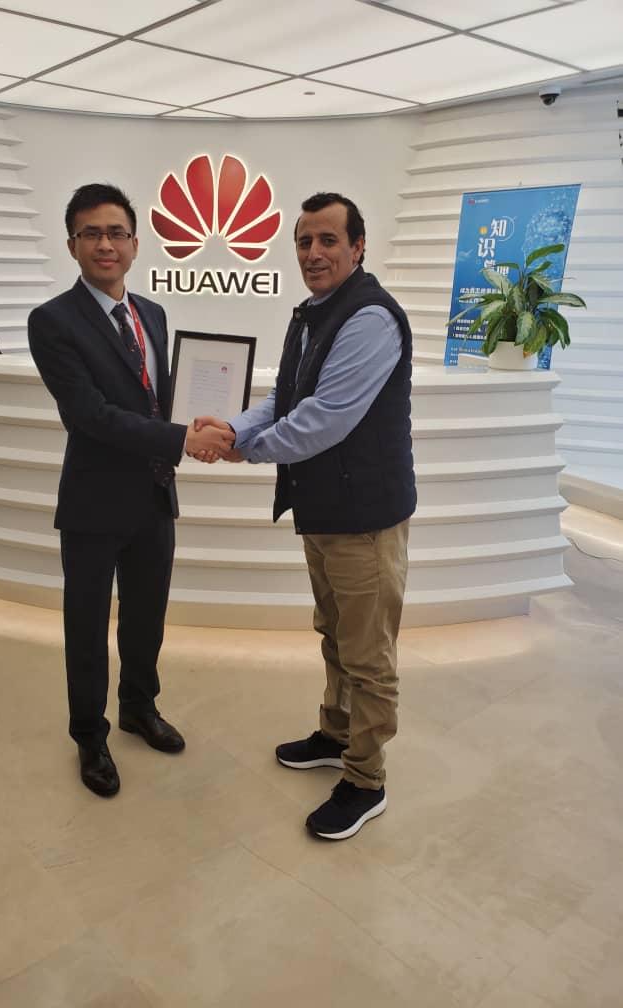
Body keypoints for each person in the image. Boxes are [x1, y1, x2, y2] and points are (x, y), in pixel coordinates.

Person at [195, 192, 416, 839]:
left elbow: (325, 419)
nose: (313, 253)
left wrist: (243, 449)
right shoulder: (312, 314)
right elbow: (284, 399)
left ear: (358, 247)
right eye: (304, 241)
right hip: (324, 510)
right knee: (335, 634)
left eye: (327, 240)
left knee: (368, 655)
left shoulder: (370, 318)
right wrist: (234, 426)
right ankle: (336, 735)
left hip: (365, 518)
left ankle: (366, 779)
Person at [28, 183, 233, 798]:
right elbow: (88, 415)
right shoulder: (53, 321)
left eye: (116, 233)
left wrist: (203, 424)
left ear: (135, 244)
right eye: (91, 233)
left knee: (146, 618)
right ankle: (90, 736)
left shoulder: (153, 314)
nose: (105, 244)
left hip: (153, 496)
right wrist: (181, 439)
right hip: (94, 503)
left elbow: (156, 398)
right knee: (87, 629)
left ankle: (139, 708)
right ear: (72, 244)